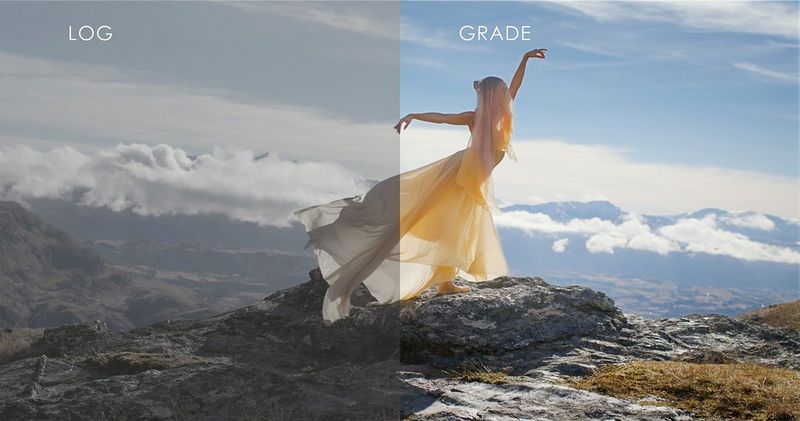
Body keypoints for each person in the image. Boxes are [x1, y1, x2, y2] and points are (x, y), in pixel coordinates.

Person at [294, 48, 547, 325]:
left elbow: (515, 85)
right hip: (458, 178)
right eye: (499, 93)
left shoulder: (500, 119)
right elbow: (441, 117)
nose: (504, 97)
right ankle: (440, 280)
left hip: (471, 181)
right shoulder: (475, 118)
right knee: (437, 223)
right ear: (494, 97)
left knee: (456, 229)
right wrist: (414, 114)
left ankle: (445, 282)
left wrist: (524, 59)